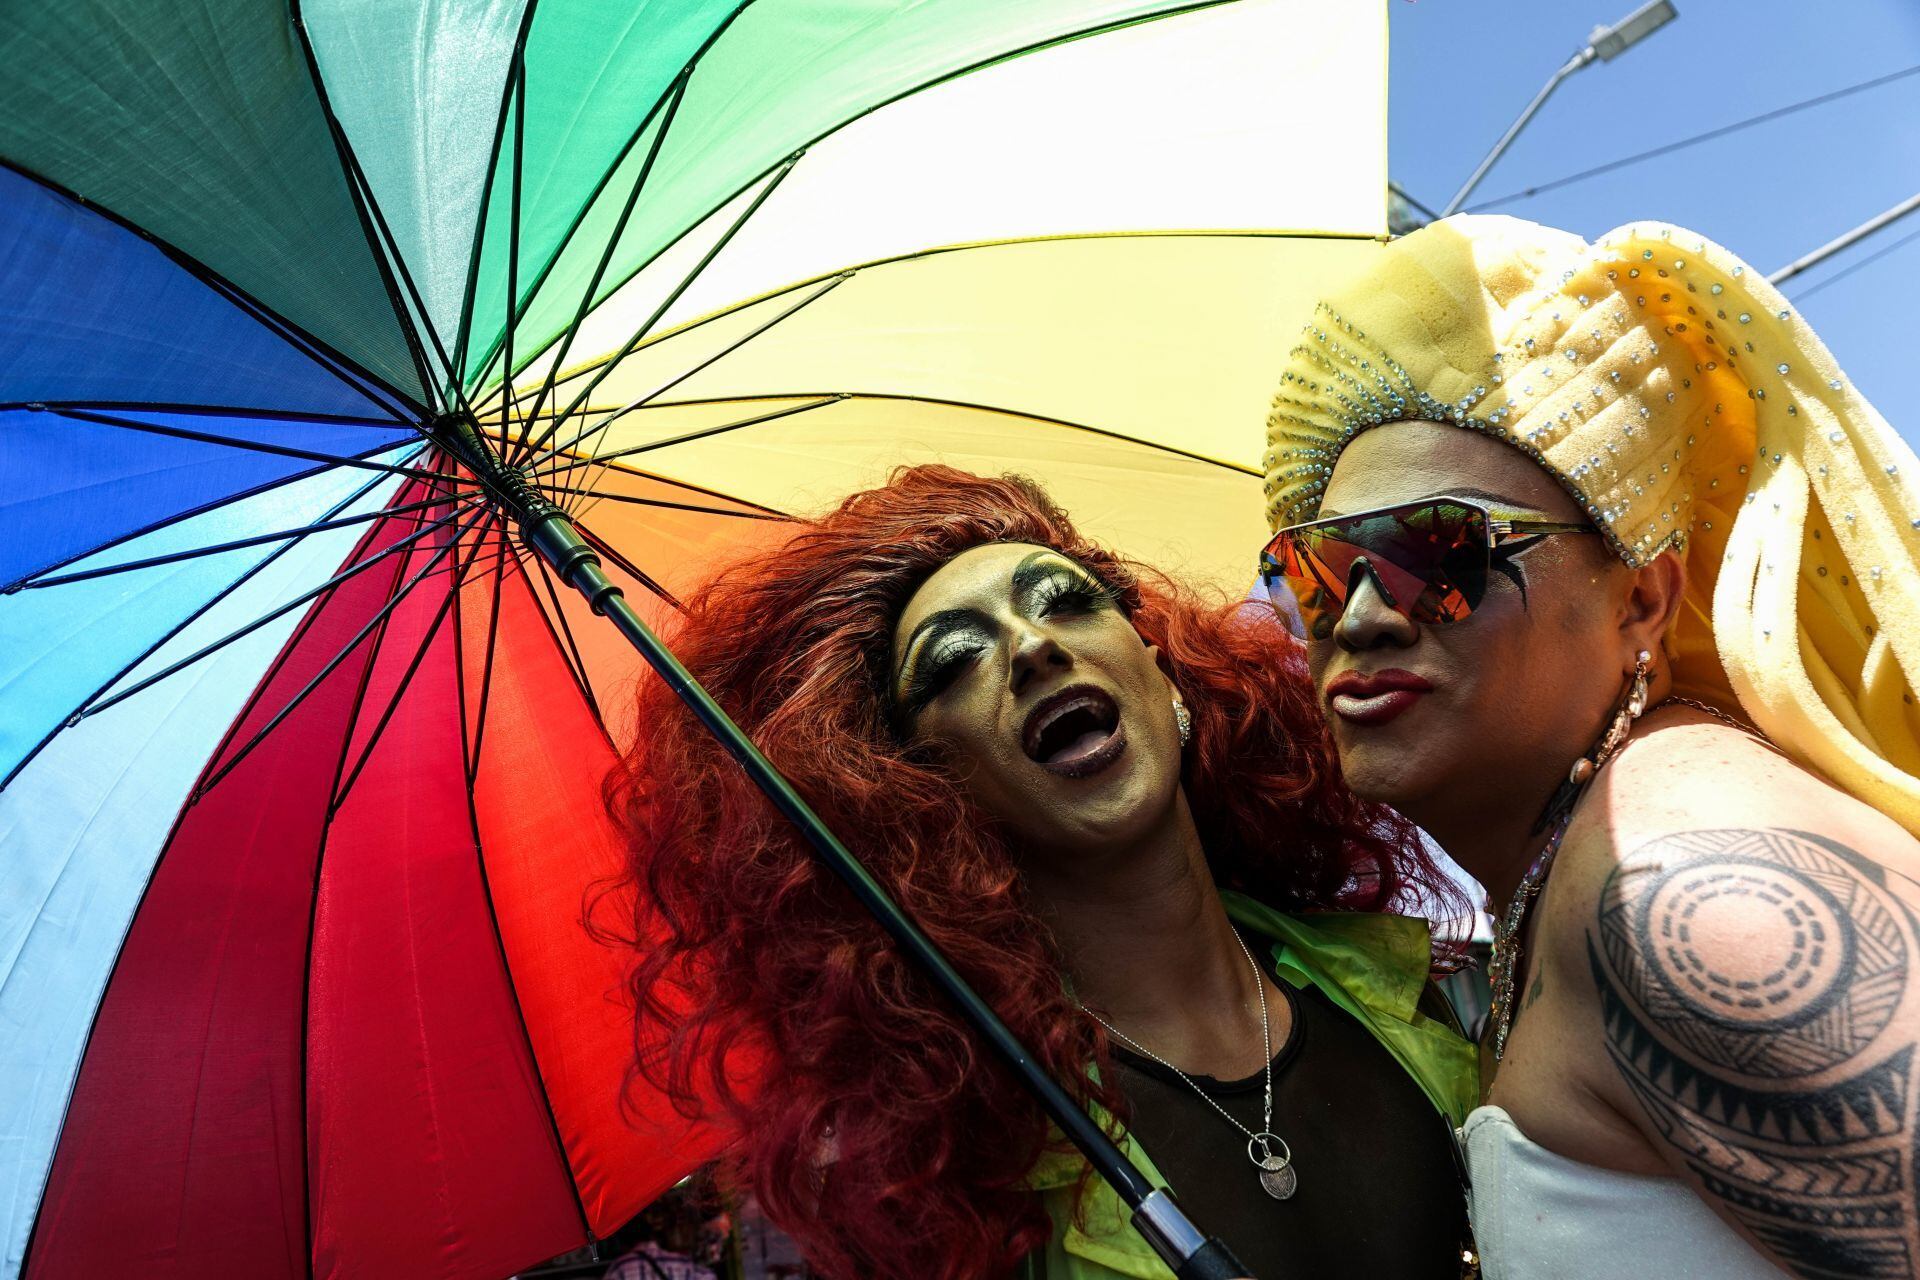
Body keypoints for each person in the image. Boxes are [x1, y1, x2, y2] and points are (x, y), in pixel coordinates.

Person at [600, 465, 1480, 1280]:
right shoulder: (968, 1179)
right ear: (925, 793)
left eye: (1061, 601)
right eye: (952, 660)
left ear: (1165, 674)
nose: (1029, 647)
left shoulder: (1390, 990)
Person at [1259, 214, 1920, 1278]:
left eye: (1442, 549)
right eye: (1320, 567)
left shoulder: (1688, 888)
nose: (1365, 612)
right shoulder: (1576, 868)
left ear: (1642, 602)